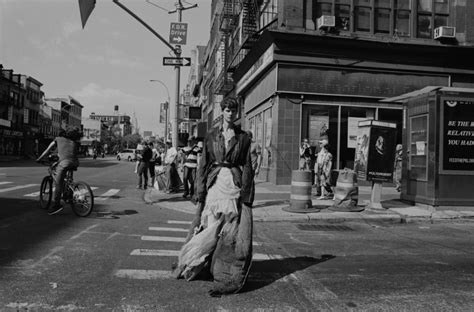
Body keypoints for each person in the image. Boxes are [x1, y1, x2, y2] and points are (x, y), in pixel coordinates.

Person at [173, 97, 254, 297]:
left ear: (236, 113)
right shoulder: (211, 136)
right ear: (222, 111)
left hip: (233, 185)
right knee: (210, 227)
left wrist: (247, 194)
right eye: (226, 109)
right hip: (215, 185)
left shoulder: (243, 137)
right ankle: (196, 261)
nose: (230, 113)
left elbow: (248, 167)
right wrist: (199, 192)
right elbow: (203, 165)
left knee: (228, 232)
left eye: (233, 110)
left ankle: (221, 271)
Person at [36, 126, 82, 215]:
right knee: (64, 171)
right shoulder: (73, 142)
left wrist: (39, 158)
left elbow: (47, 150)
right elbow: (69, 154)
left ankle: (56, 205)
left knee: (58, 183)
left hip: (65, 162)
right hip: (75, 162)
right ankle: (68, 192)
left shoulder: (58, 139)